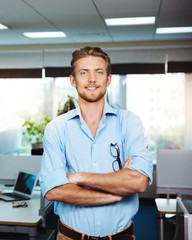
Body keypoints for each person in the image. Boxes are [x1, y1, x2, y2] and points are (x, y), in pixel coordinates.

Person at [39, 46, 153, 240]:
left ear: (108, 79)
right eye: (84, 72)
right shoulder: (57, 128)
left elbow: (139, 181)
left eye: (99, 72)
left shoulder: (129, 123)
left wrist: (78, 177)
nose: (92, 79)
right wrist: (115, 195)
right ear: (73, 80)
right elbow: (53, 190)